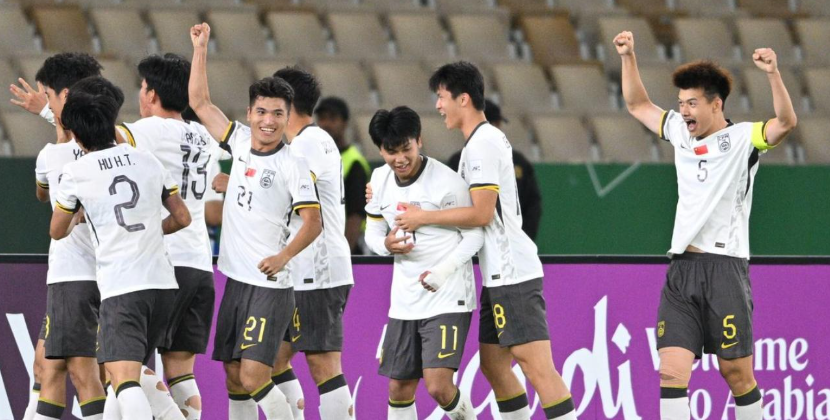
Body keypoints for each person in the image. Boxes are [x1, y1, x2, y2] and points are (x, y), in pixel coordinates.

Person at [614, 31, 797, 420]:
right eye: (681, 103)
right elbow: (637, 104)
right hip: (682, 269)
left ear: (716, 104)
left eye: (692, 103)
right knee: (671, 371)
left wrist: (773, 74)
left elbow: (786, 122)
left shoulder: (743, 138)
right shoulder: (680, 133)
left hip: (725, 269)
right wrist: (629, 56)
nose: (684, 112)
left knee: (737, 375)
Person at [392, 62, 578, 420]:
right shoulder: (478, 142)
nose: (438, 105)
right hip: (497, 277)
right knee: (494, 365)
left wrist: (423, 217)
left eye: (442, 97)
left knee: (538, 368)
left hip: (513, 274)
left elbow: (481, 213)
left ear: (463, 99)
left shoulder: (483, 144)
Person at [189, 22, 322, 420]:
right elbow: (200, 103)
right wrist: (200, 48)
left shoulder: (294, 164)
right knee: (233, 376)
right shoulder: (240, 142)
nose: (268, 120)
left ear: (287, 116)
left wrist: (283, 257)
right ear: (249, 113)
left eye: (277, 113)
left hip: (269, 285)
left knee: (253, 375)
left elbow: (313, 222)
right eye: (261, 112)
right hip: (236, 279)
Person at [50, 88, 192, 420]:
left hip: (122, 286)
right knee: (120, 379)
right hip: (163, 285)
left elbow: (56, 230)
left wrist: (80, 215)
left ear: (77, 136)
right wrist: (151, 231)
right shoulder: (147, 159)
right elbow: (182, 217)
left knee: (125, 380)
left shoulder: (77, 172)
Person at [114, 53, 217, 420]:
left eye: (142, 87)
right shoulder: (204, 135)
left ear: (152, 94)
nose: (140, 94)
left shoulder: (148, 130)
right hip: (199, 264)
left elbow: (96, 137)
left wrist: (52, 113)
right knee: (181, 370)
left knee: (121, 363)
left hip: (161, 266)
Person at [364, 106, 481, 420]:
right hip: (405, 300)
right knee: (398, 387)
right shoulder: (378, 179)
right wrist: (385, 245)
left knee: (438, 386)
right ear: (380, 150)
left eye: (406, 149)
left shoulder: (447, 182)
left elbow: (475, 236)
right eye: (391, 152)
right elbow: (372, 231)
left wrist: (443, 272)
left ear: (419, 140)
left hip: (447, 295)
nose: (400, 158)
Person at [15, 53, 107, 420]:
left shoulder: (53, 156)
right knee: (47, 366)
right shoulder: (116, 148)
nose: (46, 102)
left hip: (76, 277)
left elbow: (43, 192)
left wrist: (49, 118)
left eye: (49, 96)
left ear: (65, 96)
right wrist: (50, 115)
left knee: (84, 373)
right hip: (100, 275)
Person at [270, 68, 355, 420]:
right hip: (302, 271)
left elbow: (291, 194)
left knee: (324, 365)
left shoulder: (308, 144)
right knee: (273, 360)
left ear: (287, 102)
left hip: (318, 270)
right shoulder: (309, 141)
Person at [447, 99, 542, 240]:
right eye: (496, 123)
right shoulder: (515, 161)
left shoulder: (517, 161)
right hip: (476, 242)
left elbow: (532, 204)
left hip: (484, 241)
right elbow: (532, 205)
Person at [314, 96, 371, 253]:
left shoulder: (354, 163)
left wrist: (342, 256)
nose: (326, 124)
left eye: (332, 118)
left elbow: (355, 216)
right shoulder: (315, 157)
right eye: (322, 118)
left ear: (345, 123)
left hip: (344, 249)